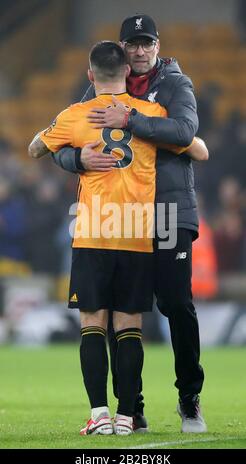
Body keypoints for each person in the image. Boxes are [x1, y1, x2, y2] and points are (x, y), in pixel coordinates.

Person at [37, 15, 208, 433]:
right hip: (123, 213)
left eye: (146, 42)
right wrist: (76, 160)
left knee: (174, 302)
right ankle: (133, 406)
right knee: (123, 307)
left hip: (167, 209)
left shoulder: (174, 84)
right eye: (132, 44)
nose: (140, 50)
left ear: (157, 45)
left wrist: (128, 121)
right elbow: (70, 138)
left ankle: (189, 397)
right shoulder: (101, 88)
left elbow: (187, 131)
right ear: (123, 53)